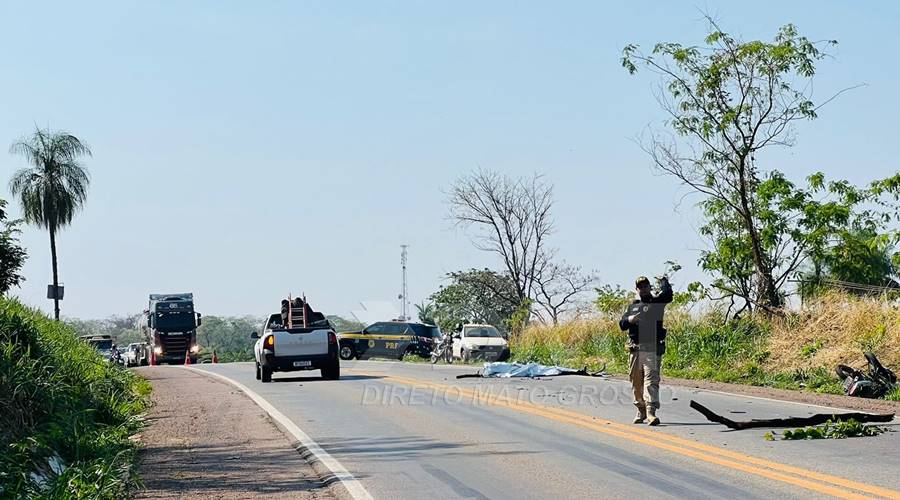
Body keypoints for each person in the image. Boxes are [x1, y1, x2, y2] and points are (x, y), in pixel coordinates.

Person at [619, 275, 673, 426]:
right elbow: (622, 324)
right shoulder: (633, 306)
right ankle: (641, 410)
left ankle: (651, 412)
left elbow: (668, 294)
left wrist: (664, 281)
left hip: (651, 348)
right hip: (635, 349)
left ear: (650, 287)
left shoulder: (657, 303)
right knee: (636, 382)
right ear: (636, 290)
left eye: (645, 286)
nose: (643, 289)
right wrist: (630, 320)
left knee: (651, 380)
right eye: (640, 287)